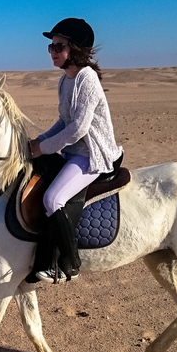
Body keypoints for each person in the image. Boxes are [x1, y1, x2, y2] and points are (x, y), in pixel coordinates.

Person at [28, 18, 123, 283]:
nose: (53, 51)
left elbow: (79, 128)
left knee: (52, 200)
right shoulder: (64, 81)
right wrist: (38, 142)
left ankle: (70, 264)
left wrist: (44, 148)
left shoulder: (86, 78)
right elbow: (63, 122)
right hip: (73, 153)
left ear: (76, 49)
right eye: (51, 46)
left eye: (60, 46)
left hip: (92, 154)